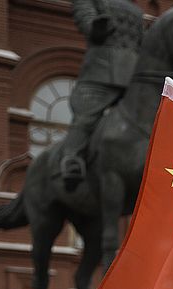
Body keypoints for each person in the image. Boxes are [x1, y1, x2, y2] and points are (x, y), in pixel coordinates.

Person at [60, 0, 143, 187]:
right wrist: (99, 26)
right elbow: (88, 26)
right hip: (101, 71)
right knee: (85, 118)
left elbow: (142, 46)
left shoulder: (136, 11)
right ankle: (72, 159)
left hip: (133, 76)